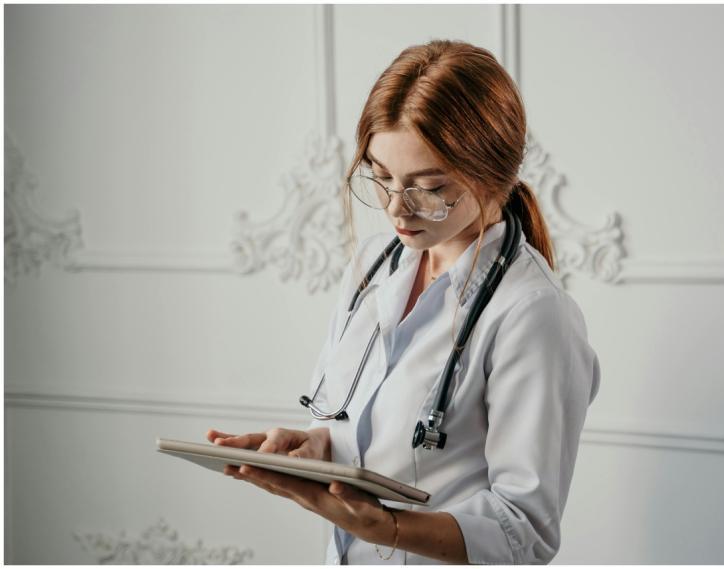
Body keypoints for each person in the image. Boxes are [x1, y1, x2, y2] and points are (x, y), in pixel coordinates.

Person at [206, 39, 601, 565]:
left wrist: (388, 527)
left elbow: (523, 533)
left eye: (428, 187)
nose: (396, 207)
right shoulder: (374, 266)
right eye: (382, 175)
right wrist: (316, 451)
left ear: (492, 174)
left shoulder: (532, 313)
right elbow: (366, 428)